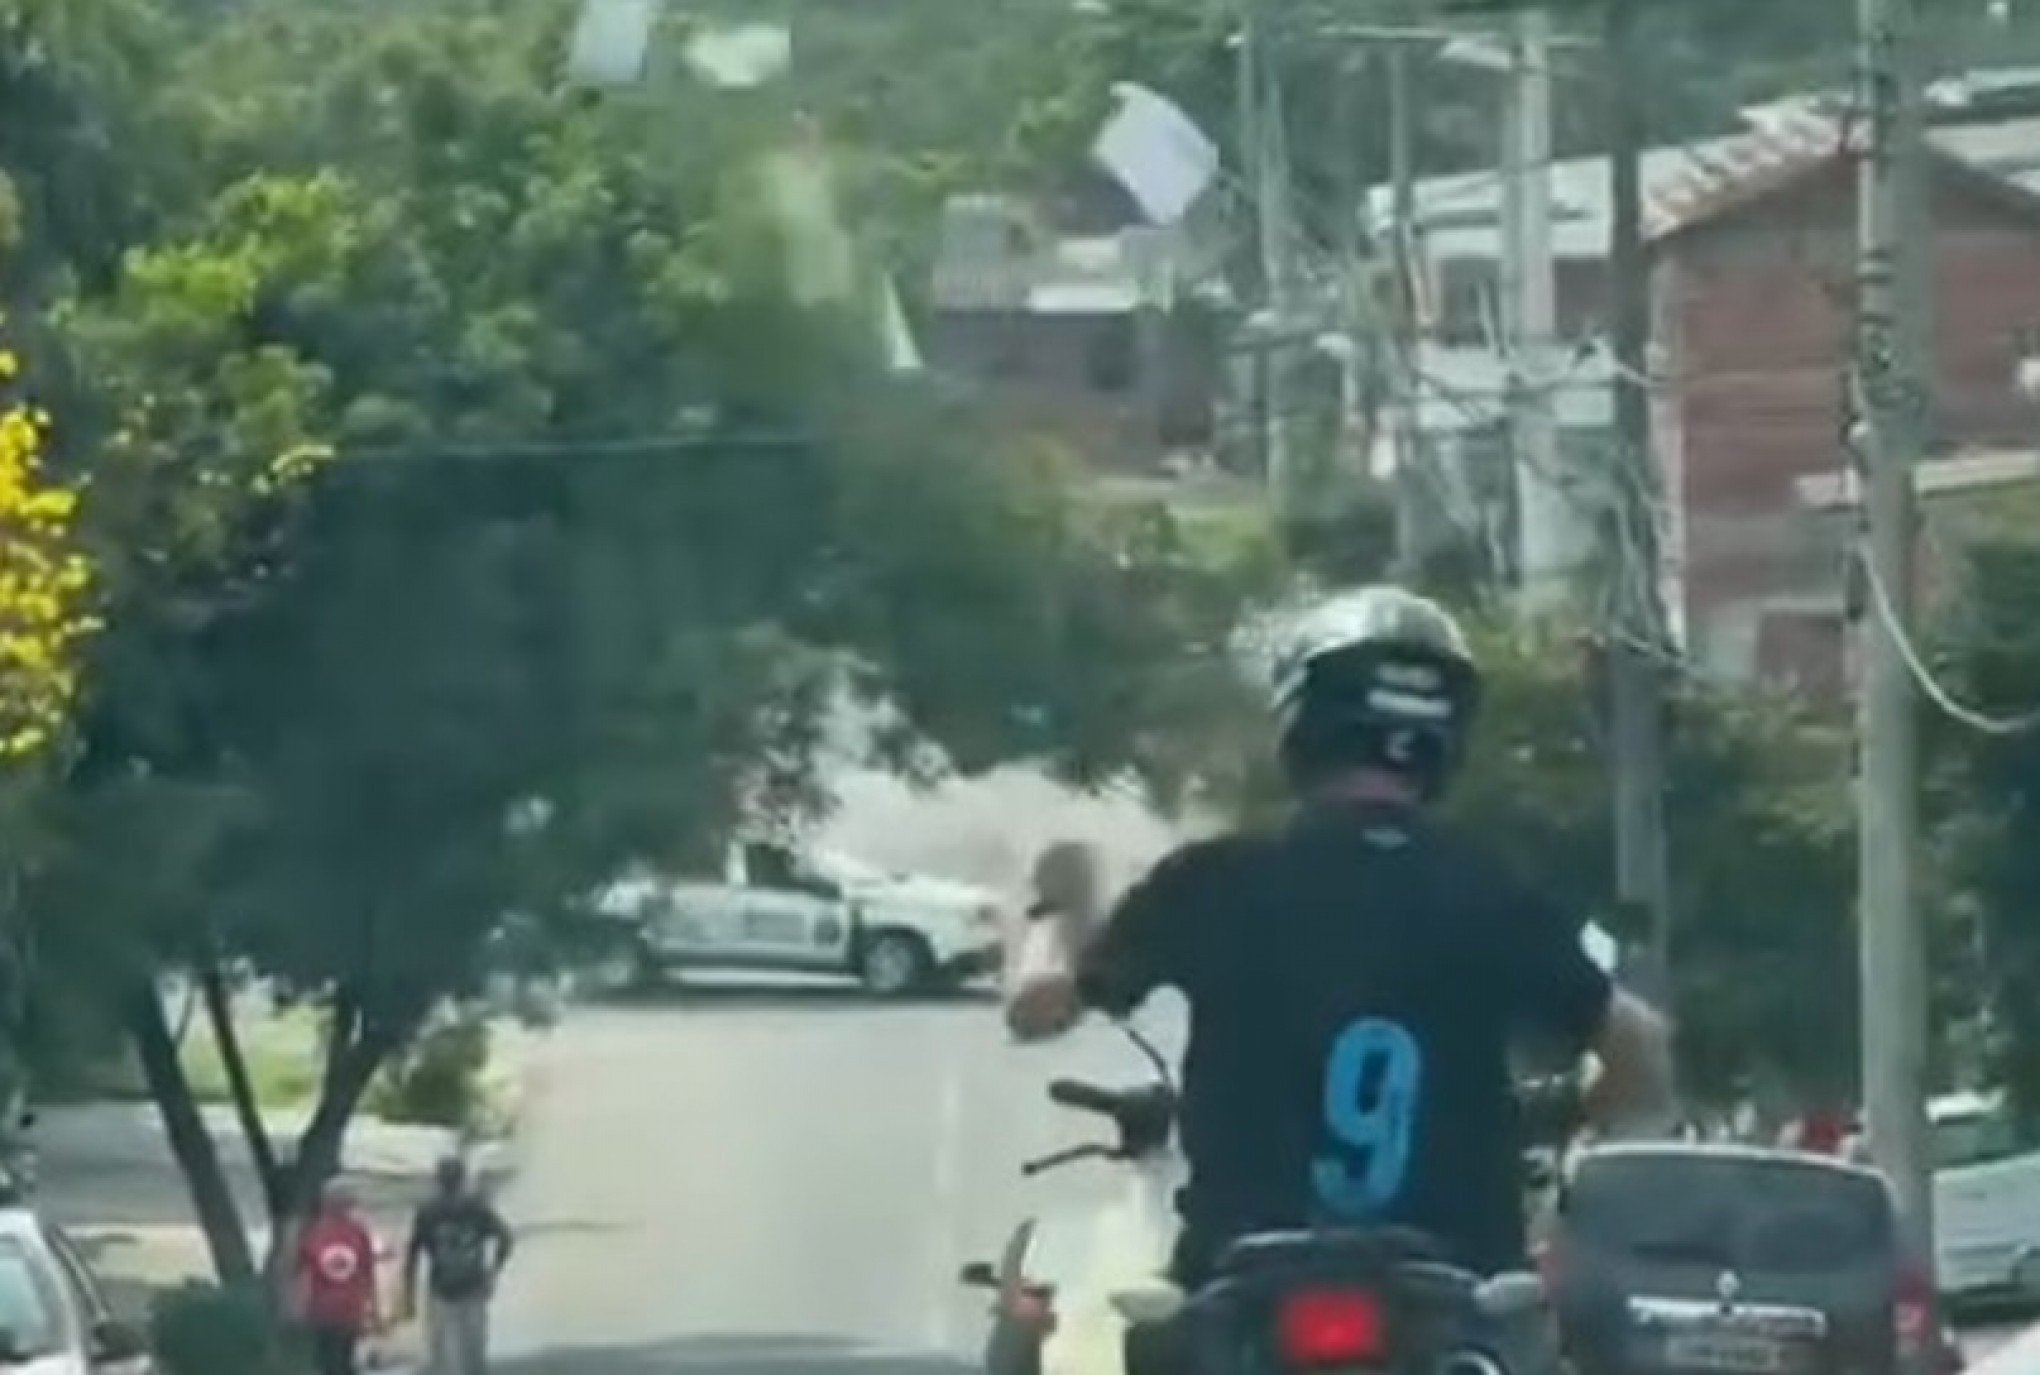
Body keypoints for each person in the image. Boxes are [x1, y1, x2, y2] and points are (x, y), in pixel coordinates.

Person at [1005, 584, 1674, 1287]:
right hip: (1450, 1282)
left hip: (1243, 1276)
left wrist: (1053, 912)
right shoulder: (1493, 892)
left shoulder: (1212, 879)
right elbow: (1642, 1050)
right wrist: (1561, 1116)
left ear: (1302, 720)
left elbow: (1038, 1008)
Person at [401, 1156, 514, 1375]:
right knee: (473, 1351)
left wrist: (408, 1295)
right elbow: (505, 1238)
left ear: (438, 1181)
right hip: (473, 1285)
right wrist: (493, 1271)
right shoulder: (475, 1208)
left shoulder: (429, 1212)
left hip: (441, 1289)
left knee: (442, 1355)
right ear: (463, 1179)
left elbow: (413, 1253)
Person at [292, 1178, 383, 1375]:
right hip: (323, 1311)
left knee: (341, 1362)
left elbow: (367, 1271)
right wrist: (300, 1305)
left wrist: (373, 1307)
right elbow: (305, 1273)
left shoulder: (358, 1232)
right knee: (331, 1363)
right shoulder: (315, 1232)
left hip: (348, 1310)